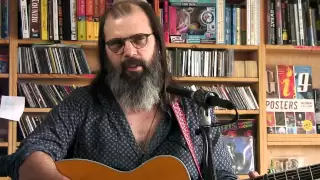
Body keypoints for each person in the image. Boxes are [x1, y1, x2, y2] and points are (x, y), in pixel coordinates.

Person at [1, 1, 261, 180]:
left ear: (157, 44)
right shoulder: (81, 105)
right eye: (116, 43)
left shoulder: (193, 109)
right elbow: (27, 155)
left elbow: (223, 175)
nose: (129, 52)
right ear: (105, 53)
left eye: (139, 39)